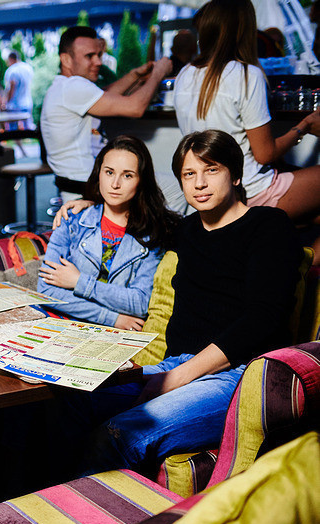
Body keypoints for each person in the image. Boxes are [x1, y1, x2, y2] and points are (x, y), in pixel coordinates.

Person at [69, 130, 301, 475]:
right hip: (175, 365)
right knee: (66, 402)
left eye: (212, 170)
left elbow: (262, 318)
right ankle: (39, 516)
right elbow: (137, 210)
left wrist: (174, 378)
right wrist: (89, 205)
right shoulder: (186, 229)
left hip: (238, 377)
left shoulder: (268, 225)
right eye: (189, 174)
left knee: (117, 435)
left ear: (235, 175)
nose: (200, 184)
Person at [173, 0, 320, 259]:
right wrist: (305, 126)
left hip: (209, 191)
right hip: (250, 192)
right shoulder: (245, 74)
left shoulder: (185, 74)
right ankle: (303, 271)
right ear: (244, 31)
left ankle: (281, 260)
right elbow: (265, 154)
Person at [37, 135, 179, 330]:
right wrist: (112, 318)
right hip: (63, 325)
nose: (115, 184)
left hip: (112, 337)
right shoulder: (73, 220)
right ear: (99, 173)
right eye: (109, 172)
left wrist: (78, 281)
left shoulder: (152, 233)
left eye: (127, 175)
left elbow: (139, 302)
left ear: (141, 181)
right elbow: (45, 291)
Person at [41, 26, 172, 200]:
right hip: (88, 187)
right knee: (178, 188)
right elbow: (135, 108)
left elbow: (104, 95)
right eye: (89, 56)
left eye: (99, 55)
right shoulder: (72, 87)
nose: (98, 62)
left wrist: (134, 76)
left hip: (80, 183)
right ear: (66, 60)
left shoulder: (64, 86)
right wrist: (159, 73)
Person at [1, 51, 34, 129]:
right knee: (28, 126)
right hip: (27, 102)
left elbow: (12, 88)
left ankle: (18, 141)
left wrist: (6, 102)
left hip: (15, 105)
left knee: (13, 129)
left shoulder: (12, 70)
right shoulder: (28, 68)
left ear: (11, 59)